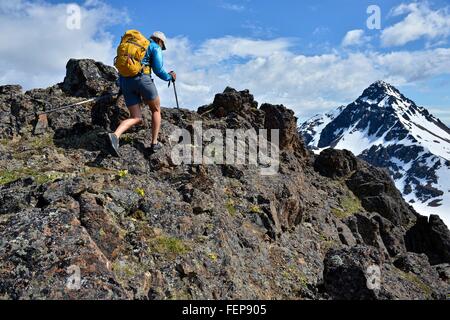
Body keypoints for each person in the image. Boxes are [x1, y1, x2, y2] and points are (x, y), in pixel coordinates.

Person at [109, 31, 176, 156]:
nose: (162, 48)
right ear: (160, 41)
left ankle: (115, 136)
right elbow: (158, 69)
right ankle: (154, 143)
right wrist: (169, 77)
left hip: (125, 81)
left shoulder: (136, 44)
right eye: (163, 46)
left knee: (135, 117)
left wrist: (121, 86)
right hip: (143, 80)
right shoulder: (154, 47)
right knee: (156, 110)